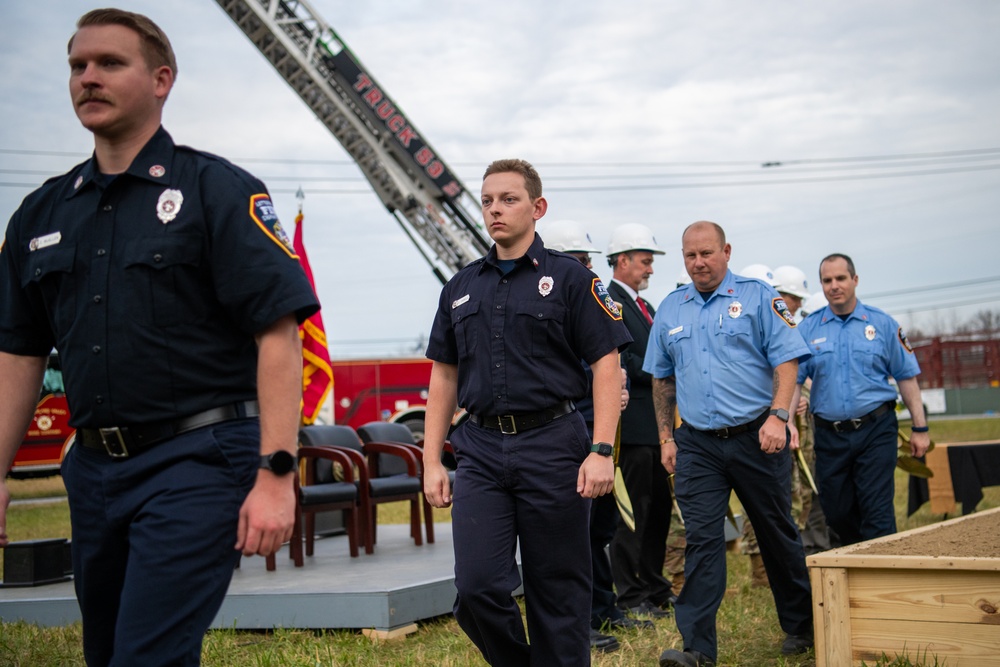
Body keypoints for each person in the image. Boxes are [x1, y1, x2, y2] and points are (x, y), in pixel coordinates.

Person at [0, 9, 319, 666]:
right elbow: (18, 355)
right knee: (111, 650)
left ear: (162, 79)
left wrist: (276, 473)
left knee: (144, 656)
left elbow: (279, 337)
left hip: (197, 461)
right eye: (76, 66)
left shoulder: (215, 192)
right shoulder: (41, 214)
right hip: (91, 472)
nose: (88, 77)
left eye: (110, 63)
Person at [421, 160, 633, 666]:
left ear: (537, 208)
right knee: (477, 588)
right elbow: (443, 377)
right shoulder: (460, 287)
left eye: (508, 199)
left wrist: (601, 450)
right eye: (488, 200)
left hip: (554, 443)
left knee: (557, 590)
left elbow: (608, 365)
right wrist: (431, 460)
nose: (495, 208)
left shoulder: (571, 279)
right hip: (481, 450)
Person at [645, 221, 814, 666]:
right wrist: (666, 436)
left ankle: (801, 624)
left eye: (706, 253)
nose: (698, 263)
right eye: (690, 255)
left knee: (776, 532)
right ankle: (697, 649)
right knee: (703, 539)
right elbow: (661, 378)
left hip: (757, 437)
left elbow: (788, 360)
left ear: (726, 251)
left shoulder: (758, 297)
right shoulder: (671, 309)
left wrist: (779, 417)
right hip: (697, 444)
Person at [542, 220, 652, 652]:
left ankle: (604, 606)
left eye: (588, 260)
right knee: (575, 529)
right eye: (580, 259)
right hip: (569, 428)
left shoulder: (586, 300)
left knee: (601, 525)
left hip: (600, 427)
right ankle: (579, 620)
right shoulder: (551, 305)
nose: (588, 267)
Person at [794, 253, 930, 546]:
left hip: (876, 430)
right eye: (827, 280)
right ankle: (857, 567)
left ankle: (884, 578)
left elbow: (906, 376)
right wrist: (785, 423)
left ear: (854, 280)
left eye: (841, 278)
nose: (834, 286)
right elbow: (792, 381)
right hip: (830, 436)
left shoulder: (881, 325)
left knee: (876, 511)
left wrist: (920, 428)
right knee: (838, 513)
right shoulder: (808, 329)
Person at [605, 223, 677, 620]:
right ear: (623, 260)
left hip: (654, 430)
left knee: (658, 512)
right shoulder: (611, 302)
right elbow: (623, 358)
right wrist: (663, 370)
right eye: (646, 261)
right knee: (632, 517)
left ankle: (654, 586)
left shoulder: (643, 306)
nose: (650, 269)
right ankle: (631, 594)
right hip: (631, 431)